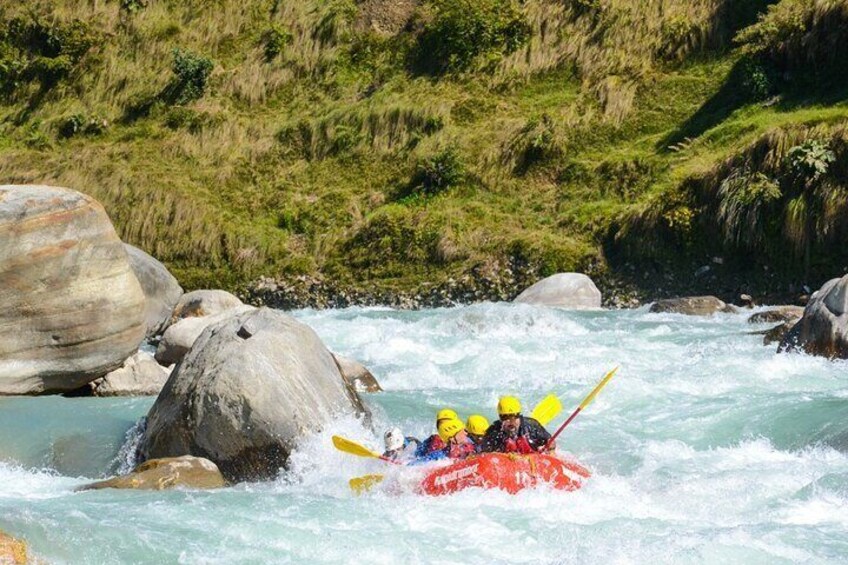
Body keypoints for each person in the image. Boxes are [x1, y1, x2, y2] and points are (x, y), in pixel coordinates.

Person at [481, 396, 554, 454]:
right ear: (500, 418)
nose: (509, 421)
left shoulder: (532, 426)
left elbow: (551, 443)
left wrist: (548, 449)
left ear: (519, 416)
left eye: (513, 417)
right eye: (505, 417)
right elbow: (483, 453)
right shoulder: (493, 431)